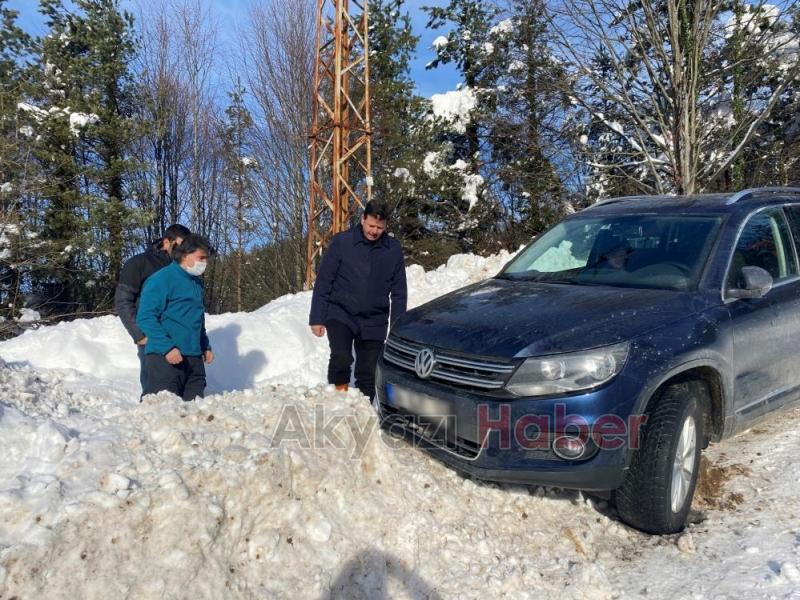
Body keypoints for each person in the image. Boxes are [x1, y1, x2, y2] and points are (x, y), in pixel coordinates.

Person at [309, 201, 407, 401]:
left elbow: (399, 292)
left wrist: (396, 327)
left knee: (368, 371)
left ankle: (364, 408)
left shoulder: (393, 249)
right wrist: (317, 317)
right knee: (341, 358)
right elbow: (324, 281)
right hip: (341, 312)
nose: (374, 231)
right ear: (362, 219)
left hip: (375, 319)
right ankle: (338, 401)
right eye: (371, 225)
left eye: (379, 227)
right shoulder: (342, 242)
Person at [136, 234, 215, 401]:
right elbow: (146, 317)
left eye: (207, 258)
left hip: (193, 360)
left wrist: (204, 345)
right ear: (185, 255)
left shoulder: (196, 283)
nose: (205, 263)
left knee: (193, 413)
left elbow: (197, 318)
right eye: (201, 258)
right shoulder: (161, 279)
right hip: (165, 358)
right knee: (162, 412)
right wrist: (167, 348)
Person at [115, 224, 191, 393]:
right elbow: (123, 301)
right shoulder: (139, 264)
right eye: (179, 246)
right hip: (152, 337)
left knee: (182, 391)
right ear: (166, 242)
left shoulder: (185, 268)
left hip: (181, 339)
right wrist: (139, 334)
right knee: (156, 393)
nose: (183, 251)